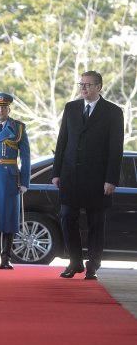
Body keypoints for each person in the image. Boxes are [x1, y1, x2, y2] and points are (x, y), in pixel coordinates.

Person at [52, 71, 124, 280]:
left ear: (99, 87)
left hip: (98, 178)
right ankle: (75, 262)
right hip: (70, 175)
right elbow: (62, 141)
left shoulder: (112, 112)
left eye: (88, 85)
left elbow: (115, 149)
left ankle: (93, 264)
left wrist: (111, 179)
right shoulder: (71, 108)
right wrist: (56, 172)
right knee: (66, 216)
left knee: (96, 222)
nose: (82, 88)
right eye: (81, 84)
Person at [0, 93, 31, 269]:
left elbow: (26, 157)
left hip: (10, 179)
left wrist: (25, 182)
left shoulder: (18, 128)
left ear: (9, 109)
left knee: (8, 218)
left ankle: (6, 258)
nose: (0, 110)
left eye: (4, 107)